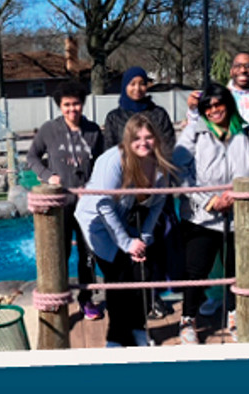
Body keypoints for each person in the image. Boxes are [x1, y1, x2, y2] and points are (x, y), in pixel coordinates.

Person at [172, 83, 249, 344]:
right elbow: (179, 171)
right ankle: (188, 319)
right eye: (208, 106)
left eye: (219, 104)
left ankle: (234, 314)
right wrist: (209, 200)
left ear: (229, 104)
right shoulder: (194, 133)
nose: (214, 110)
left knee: (237, 270)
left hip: (241, 216)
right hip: (201, 217)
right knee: (196, 271)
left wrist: (240, 195)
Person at [74, 115, 178, 347]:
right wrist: (126, 243)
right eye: (137, 138)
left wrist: (144, 238)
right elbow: (103, 205)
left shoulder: (160, 165)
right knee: (118, 279)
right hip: (99, 224)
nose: (143, 142)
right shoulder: (113, 161)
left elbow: (158, 203)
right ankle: (116, 338)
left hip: (129, 221)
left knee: (142, 275)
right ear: (127, 140)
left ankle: (139, 329)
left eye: (149, 137)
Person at [27, 81, 108, 320]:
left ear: (82, 104)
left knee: (88, 253)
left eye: (76, 104)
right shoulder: (49, 130)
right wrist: (47, 176)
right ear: (60, 107)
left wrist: (93, 187)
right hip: (59, 205)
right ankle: (57, 299)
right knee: (57, 252)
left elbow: (102, 165)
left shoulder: (93, 131)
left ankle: (87, 300)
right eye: (67, 105)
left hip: (86, 205)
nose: (72, 109)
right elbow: (32, 157)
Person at [102, 66, 176, 318]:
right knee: (126, 245)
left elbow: (167, 146)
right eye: (132, 83)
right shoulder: (114, 117)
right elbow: (109, 150)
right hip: (125, 190)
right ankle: (130, 298)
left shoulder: (158, 114)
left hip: (154, 188)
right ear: (124, 86)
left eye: (142, 83)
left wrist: (154, 174)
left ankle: (153, 296)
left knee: (154, 245)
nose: (137, 88)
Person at [187, 52, 249, 137]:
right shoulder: (220, 97)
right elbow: (195, 126)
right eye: (238, 66)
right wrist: (193, 109)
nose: (243, 70)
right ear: (231, 71)